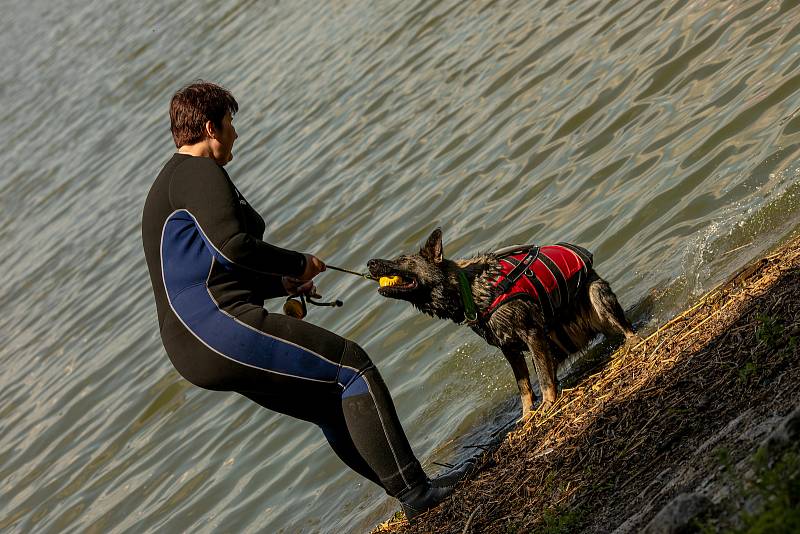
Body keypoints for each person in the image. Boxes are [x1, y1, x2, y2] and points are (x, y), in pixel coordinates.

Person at [141, 81, 472, 519]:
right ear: (210, 127)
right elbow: (233, 246)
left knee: (327, 401)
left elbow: (208, 271)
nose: (236, 134)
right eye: (231, 123)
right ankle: (418, 492)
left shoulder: (172, 183)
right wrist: (298, 263)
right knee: (352, 368)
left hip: (198, 340)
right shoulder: (198, 173)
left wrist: (281, 284)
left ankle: (412, 496)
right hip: (215, 327)